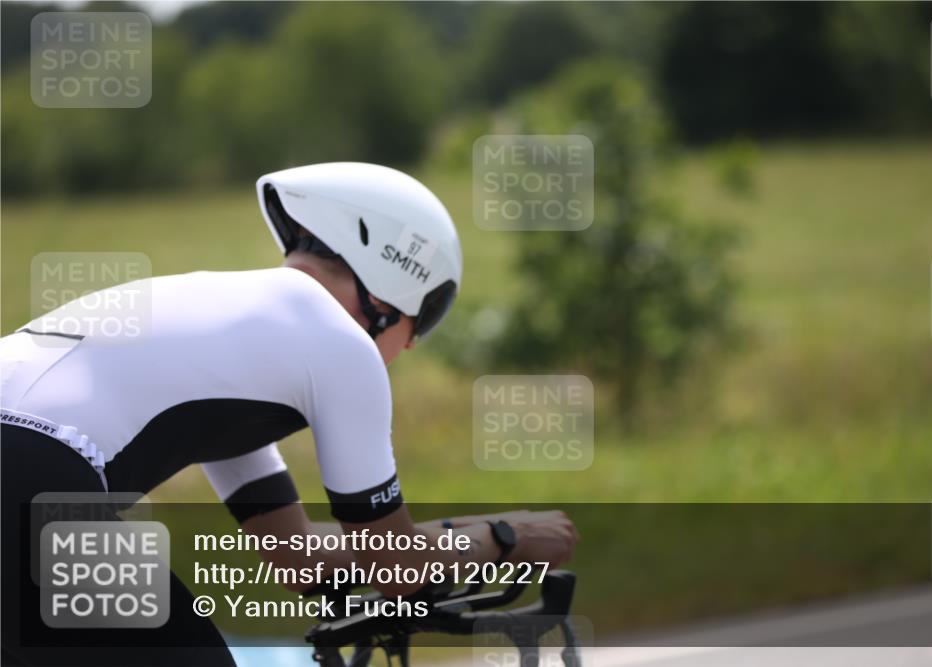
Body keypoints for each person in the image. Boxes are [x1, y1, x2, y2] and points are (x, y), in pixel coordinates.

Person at [0, 163, 579, 666]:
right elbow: (393, 559)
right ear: (390, 286)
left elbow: (298, 558)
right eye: (423, 319)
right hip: (31, 479)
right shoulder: (338, 344)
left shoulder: (234, 335)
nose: (410, 346)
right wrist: (507, 537)